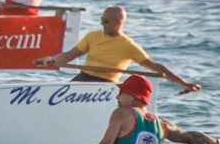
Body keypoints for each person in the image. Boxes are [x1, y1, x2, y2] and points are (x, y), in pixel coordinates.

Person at [34, 6, 200, 92]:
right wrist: (52, 60)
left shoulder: (128, 45)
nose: (101, 24)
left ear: (117, 23)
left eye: (105, 21)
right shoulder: (93, 36)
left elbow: (156, 67)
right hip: (83, 77)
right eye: (101, 19)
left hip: (106, 85)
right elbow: (70, 55)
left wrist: (184, 83)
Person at [89, 74, 220, 144]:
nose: (117, 97)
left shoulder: (122, 113)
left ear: (133, 96)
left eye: (121, 93)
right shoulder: (162, 124)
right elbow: (193, 138)